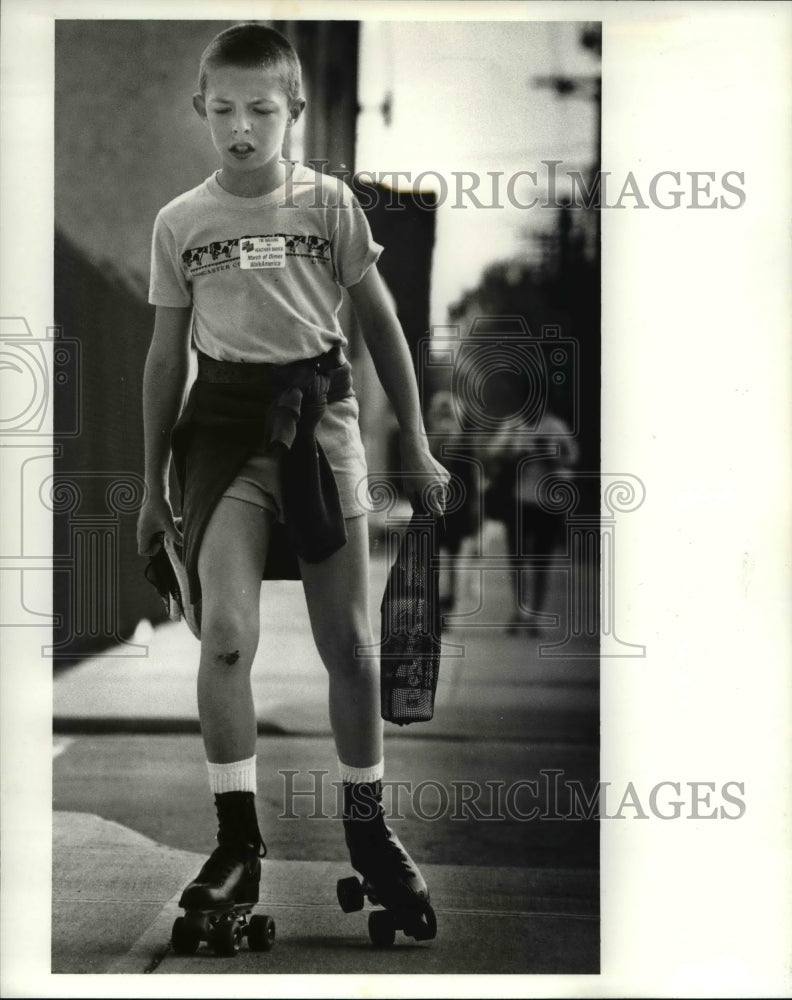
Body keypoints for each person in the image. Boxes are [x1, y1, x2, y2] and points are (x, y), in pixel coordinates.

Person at [135, 23, 447, 940]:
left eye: (261, 111)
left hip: (321, 430)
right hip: (223, 435)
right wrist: (152, 488)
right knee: (224, 636)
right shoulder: (180, 222)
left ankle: (371, 832)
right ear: (201, 109)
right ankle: (238, 843)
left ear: (294, 113)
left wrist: (417, 447)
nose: (241, 127)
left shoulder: (330, 206)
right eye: (223, 109)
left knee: (349, 646)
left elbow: (382, 327)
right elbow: (163, 359)